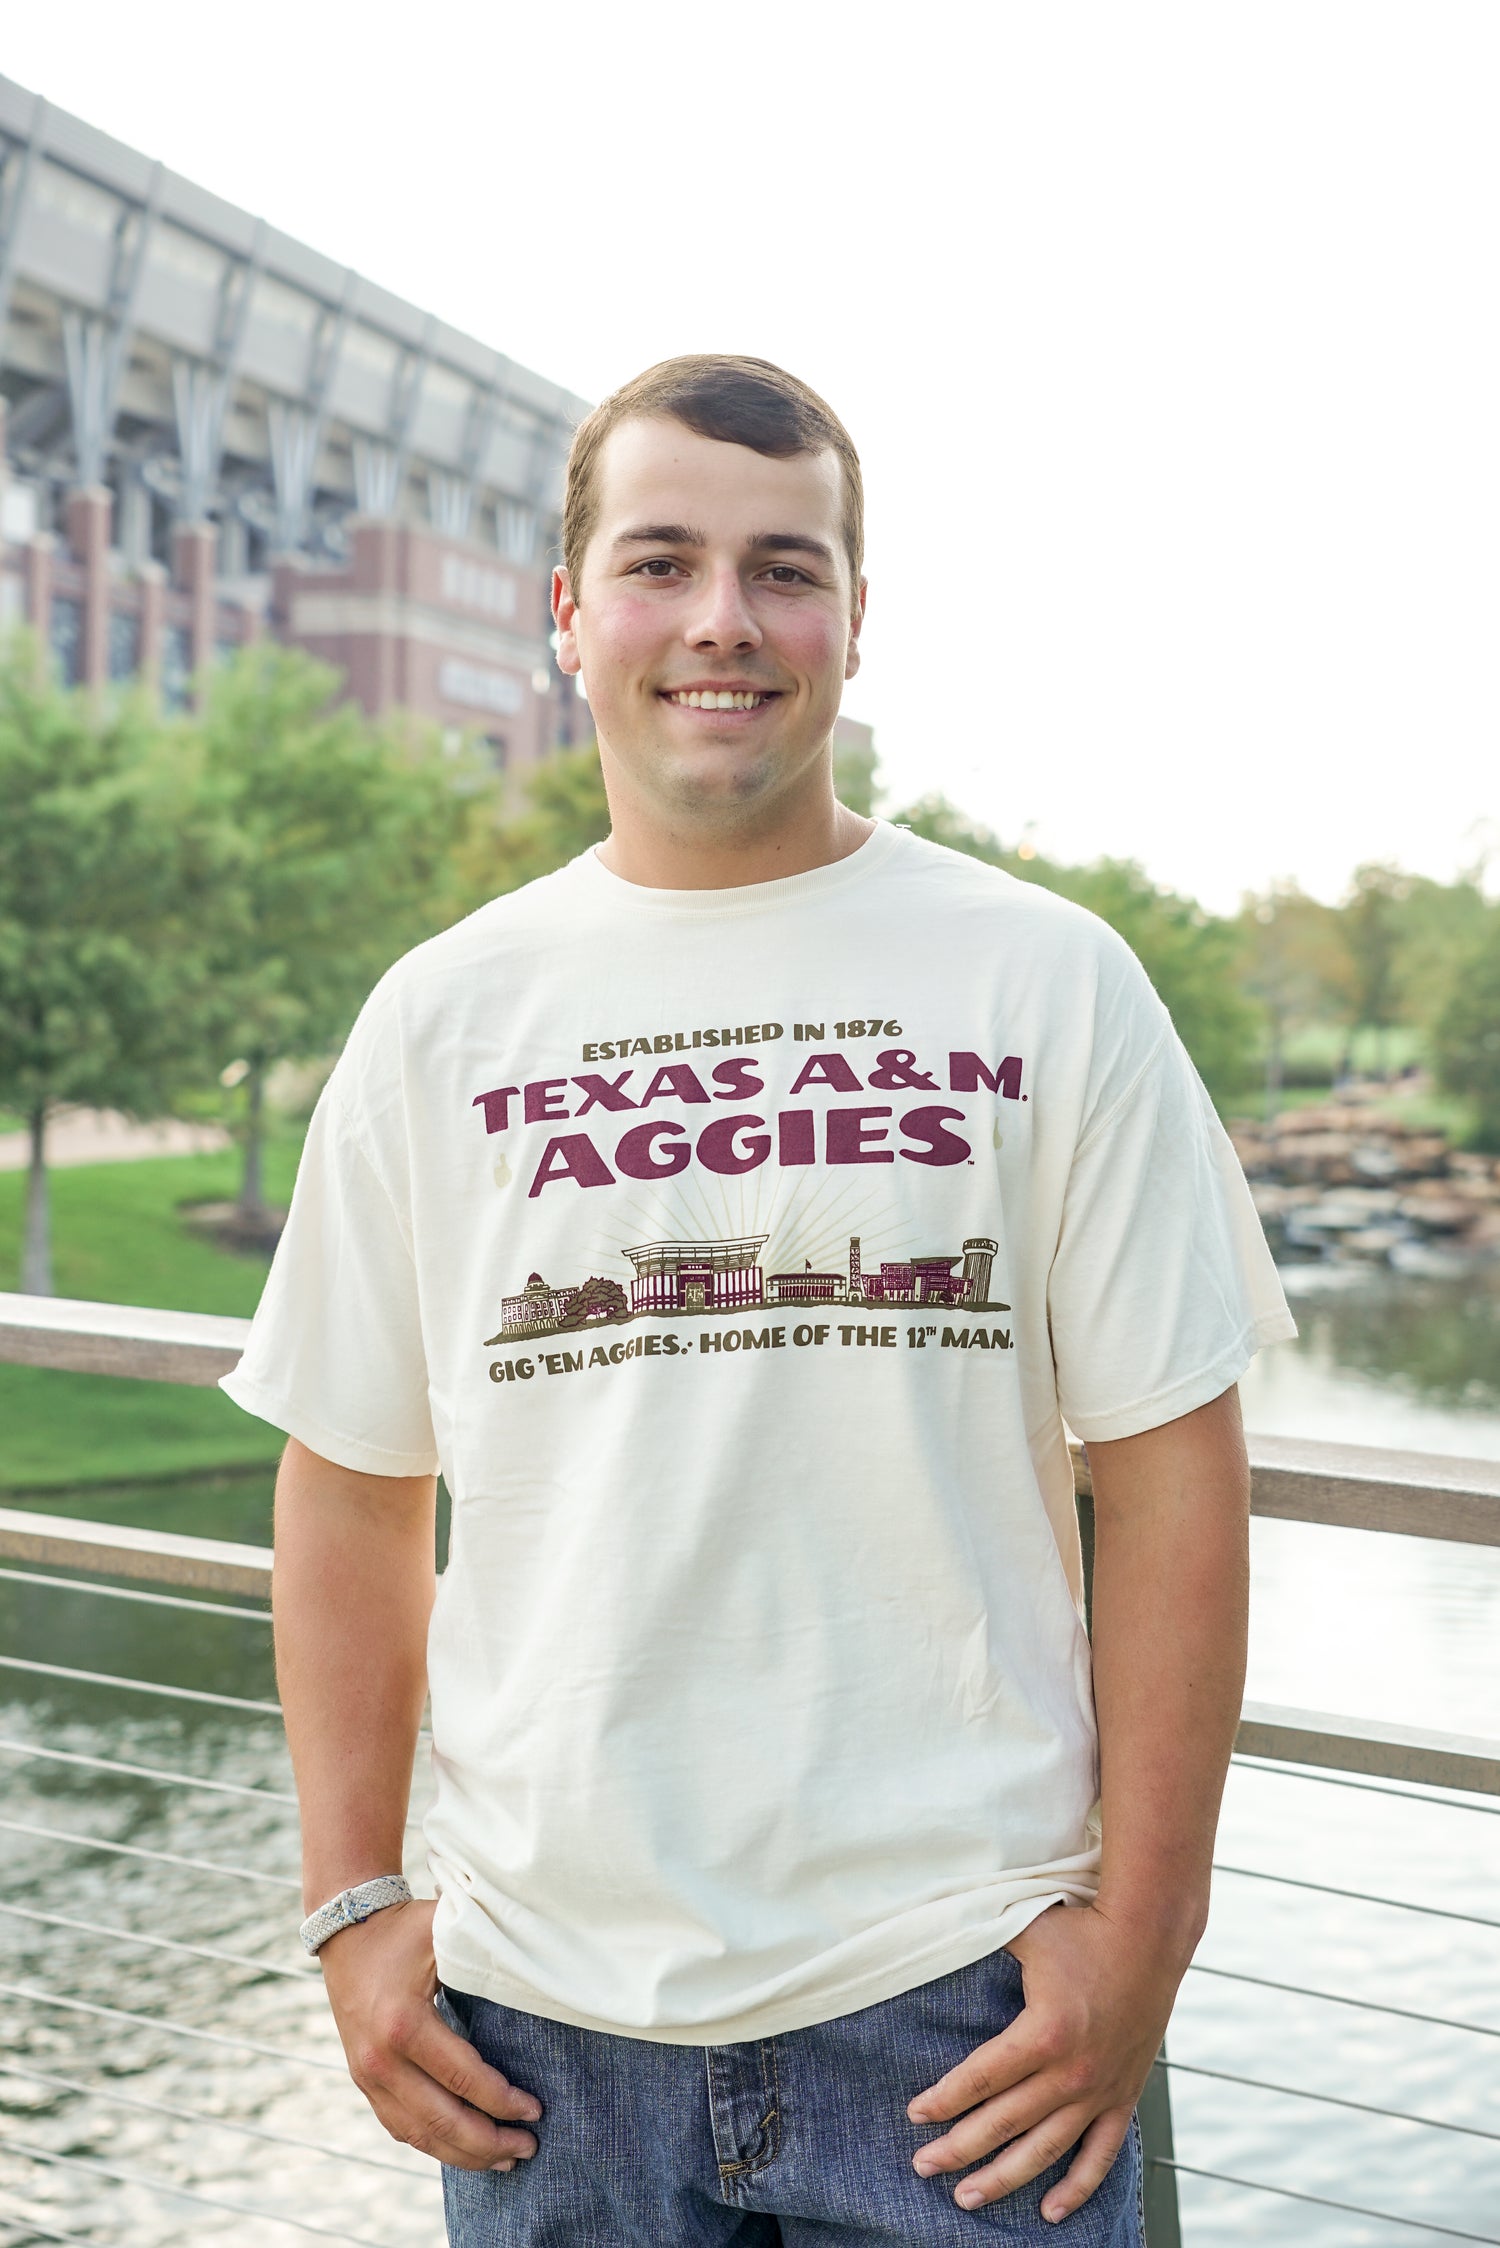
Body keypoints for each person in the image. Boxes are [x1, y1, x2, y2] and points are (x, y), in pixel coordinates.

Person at [224, 354, 1294, 2245]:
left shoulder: (1048, 983)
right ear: (568, 617)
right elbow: (350, 1481)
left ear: (858, 623)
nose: (724, 621)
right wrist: (351, 1906)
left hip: (971, 2007)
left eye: (786, 570)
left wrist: (1147, 1936)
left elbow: (1173, 1480)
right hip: (546, 2034)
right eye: (661, 562)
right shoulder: (441, 1019)